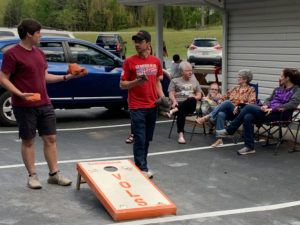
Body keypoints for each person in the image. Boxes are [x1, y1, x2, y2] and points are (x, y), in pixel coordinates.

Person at [0, 19, 85, 189]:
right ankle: (32, 176)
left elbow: (44, 76)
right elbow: (3, 78)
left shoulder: (39, 53)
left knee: (50, 138)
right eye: (38, 32)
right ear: (29, 34)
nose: (41, 35)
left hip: (44, 102)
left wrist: (66, 77)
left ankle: (54, 174)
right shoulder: (12, 54)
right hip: (23, 105)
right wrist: (19, 94)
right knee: (28, 141)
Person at [217, 68, 300, 155]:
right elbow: (268, 99)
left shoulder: (296, 90)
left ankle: (230, 130)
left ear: (287, 78)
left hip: (280, 114)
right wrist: (265, 105)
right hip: (267, 112)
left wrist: (273, 109)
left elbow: (293, 104)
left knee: (248, 107)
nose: (280, 78)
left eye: (281, 76)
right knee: (247, 117)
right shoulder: (278, 89)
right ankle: (249, 147)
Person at [120, 30, 164, 178]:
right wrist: (136, 82)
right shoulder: (129, 62)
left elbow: (157, 82)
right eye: (135, 41)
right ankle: (142, 168)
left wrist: (163, 98)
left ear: (148, 43)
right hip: (136, 106)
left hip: (152, 105)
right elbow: (122, 84)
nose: (137, 44)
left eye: (140, 41)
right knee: (139, 137)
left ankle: (142, 165)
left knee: (147, 138)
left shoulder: (156, 61)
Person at [196, 69, 256, 147]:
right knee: (221, 114)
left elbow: (252, 103)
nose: (237, 78)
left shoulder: (251, 90)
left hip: (241, 113)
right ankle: (219, 139)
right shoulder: (234, 89)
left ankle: (207, 117)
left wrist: (239, 106)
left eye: (239, 77)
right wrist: (221, 102)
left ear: (245, 79)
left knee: (227, 102)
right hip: (230, 112)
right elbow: (222, 98)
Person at [167, 61, 202, 144]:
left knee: (192, 99)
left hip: (190, 106)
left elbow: (199, 96)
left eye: (191, 70)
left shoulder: (195, 82)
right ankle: (181, 135)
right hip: (177, 103)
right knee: (181, 111)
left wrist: (194, 97)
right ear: (181, 72)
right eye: (187, 70)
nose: (190, 72)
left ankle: (173, 111)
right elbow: (171, 94)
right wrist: (174, 101)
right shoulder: (174, 81)